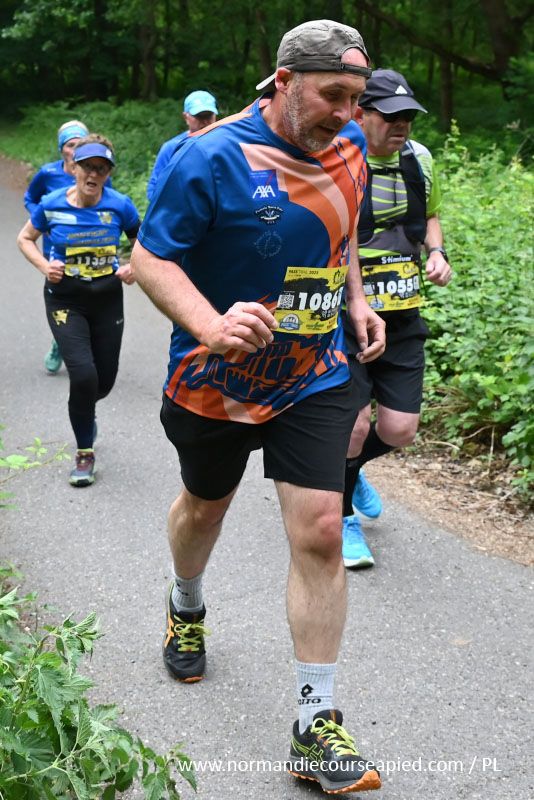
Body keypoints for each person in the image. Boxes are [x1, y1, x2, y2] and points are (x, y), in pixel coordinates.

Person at [131, 19, 385, 796]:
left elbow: (341, 232)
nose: (346, 112)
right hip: (216, 378)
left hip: (314, 373)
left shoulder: (351, 146)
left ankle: (315, 724)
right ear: (283, 82)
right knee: (204, 510)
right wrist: (210, 324)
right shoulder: (208, 156)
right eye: (332, 94)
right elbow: (150, 257)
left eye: (356, 97)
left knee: (320, 529)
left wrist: (357, 299)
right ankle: (186, 603)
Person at [341, 69, 452, 569]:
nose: (401, 124)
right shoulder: (339, 157)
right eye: (390, 115)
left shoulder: (419, 159)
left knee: (401, 429)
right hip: (349, 314)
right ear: (361, 114)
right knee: (354, 426)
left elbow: (429, 215)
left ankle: (347, 471)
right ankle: (343, 516)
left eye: (408, 115)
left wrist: (437, 252)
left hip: (404, 312)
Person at [17, 133, 140, 487]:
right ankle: (85, 451)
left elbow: (142, 243)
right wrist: (45, 266)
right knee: (84, 376)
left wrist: (134, 266)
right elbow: (25, 238)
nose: (94, 174)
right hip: (65, 299)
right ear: (73, 168)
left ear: (108, 173)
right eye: (88, 166)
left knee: (103, 381)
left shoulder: (120, 206)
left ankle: (85, 408)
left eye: (102, 168)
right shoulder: (52, 204)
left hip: (107, 298)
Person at [23, 120, 112, 373]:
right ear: (62, 148)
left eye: (79, 145)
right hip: (56, 246)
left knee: (91, 296)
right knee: (65, 297)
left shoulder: (97, 174)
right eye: (70, 145)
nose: (74, 150)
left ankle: (76, 341)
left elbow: (109, 203)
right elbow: (30, 198)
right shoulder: (48, 173)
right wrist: (43, 220)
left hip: (91, 246)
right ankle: (60, 342)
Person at [146, 90, 218, 201]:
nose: (204, 122)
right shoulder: (172, 148)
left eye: (208, 117)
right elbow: (154, 190)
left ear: (215, 116)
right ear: (186, 117)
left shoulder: (225, 146)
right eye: (199, 117)